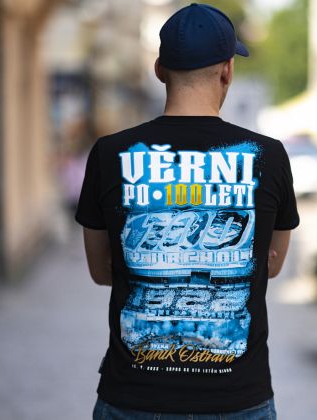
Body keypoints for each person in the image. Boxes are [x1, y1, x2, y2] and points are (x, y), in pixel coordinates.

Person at [75, 3, 300, 419]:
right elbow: (270, 265)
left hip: (132, 400)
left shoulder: (109, 153)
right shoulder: (269, 156)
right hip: (238, 401)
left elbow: (101, 270)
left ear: (160, 70)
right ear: (227, 71)